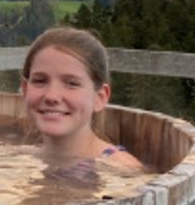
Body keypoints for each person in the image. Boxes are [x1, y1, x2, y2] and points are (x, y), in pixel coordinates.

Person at [21, 27, 145, 171]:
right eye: (40, 81)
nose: (51, 96)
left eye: (72, 83)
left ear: (100, 97)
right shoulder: (26, 159)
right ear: (25, 89)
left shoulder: (121, 169)